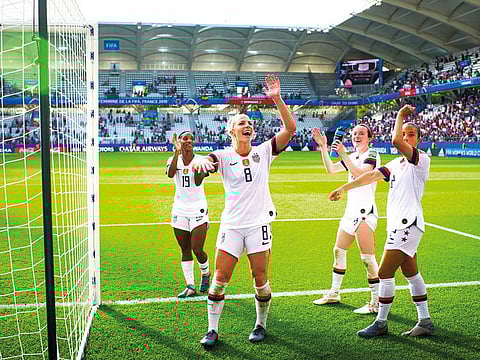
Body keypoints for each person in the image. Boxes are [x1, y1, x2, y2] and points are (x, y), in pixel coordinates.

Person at [193, 74, 296, 347]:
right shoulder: (224, 156)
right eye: (241, 123)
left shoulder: (263, 152)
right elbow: (208, 162)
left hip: (258, 224)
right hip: (232, 226)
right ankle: (212, 330)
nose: (247, 125)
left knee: (260, 278)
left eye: (249, 123)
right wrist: (201, 162)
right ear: (232, 131)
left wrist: (276, 98)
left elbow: (290, 129)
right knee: (219, 279)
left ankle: (260, 324)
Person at [328, 104, 433, 337]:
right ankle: (425, 321)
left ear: (418, 140)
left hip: (408, 224)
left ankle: (381, 322)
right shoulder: (396, 164)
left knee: (384, 274)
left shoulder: (421, 160)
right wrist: (344, 187)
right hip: (400, 224)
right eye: (404, 133)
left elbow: (396, 141)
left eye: (411, 134)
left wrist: (399, 116)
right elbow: (370, 176)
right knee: (412, 274)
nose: (406, 137)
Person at [312, 125, 381, 314]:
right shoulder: (352, 156)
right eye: (354, 134)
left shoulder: (372, 154)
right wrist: (324, 147)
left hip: (365, 213)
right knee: (338, 251)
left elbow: (363, 175)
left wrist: (343, 155)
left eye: (361, 133)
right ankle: (334, 293)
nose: (357, 136)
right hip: (350, 212)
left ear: (369, 137)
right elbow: (330, 169)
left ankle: (376, 302)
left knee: (367, 259)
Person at [166, 131, 211, 298]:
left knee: (197, 249)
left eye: (191, 138)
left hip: (198, 209)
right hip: (179, 210)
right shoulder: (173, 160)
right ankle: (190, 285)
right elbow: (171, 174)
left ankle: (205, 274)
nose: (189, 141)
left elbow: (198, 181)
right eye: (185, 138)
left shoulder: (201, 160)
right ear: (179, 142)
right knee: (185, 249)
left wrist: (199, 169)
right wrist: (176, 153)